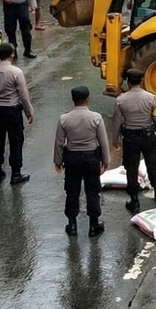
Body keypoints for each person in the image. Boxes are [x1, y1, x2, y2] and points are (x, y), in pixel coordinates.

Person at [54, 85, 109, 236]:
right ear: (88, 99)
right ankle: (93, 226)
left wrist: (58, 161)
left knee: (72, 191)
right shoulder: (96, 117)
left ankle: (72, 225)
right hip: (91, 158)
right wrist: (106, 160)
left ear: (73, 100)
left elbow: (59, 142)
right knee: (92, 191)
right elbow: (103, 141)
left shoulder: (64, 119)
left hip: (72, 159)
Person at [112, 69, 156, 213]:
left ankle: (134, 200)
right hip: (148, 137)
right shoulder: (151, 98)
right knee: (153, 164)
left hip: (130, 138)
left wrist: (115, 140)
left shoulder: (120, 100)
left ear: (128, 82)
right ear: (141, 81)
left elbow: (117, 122)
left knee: (131, 168)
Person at [0, 43, 34, 185]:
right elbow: (23, 95)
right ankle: (16, 173)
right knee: (16, 142)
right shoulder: (16, 72)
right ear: (12, 54)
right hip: (12, 111)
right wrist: (29, 112)